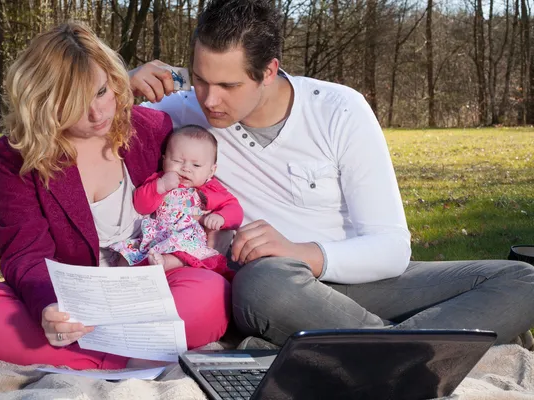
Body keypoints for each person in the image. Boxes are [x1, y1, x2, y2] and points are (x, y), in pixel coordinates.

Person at [128, 0, 534, 347]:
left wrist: (302, 251)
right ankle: (418, 348)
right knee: (262, 281)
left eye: (228, 85)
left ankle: (382, 349)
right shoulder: (183, 111)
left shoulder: (339, 109)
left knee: (523, 280)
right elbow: (85, 122)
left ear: (268, 71)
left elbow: (391, 246)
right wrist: (122, 86)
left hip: (357, 280)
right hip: (276, 289)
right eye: (200, 79)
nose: (210, 99)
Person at [0, 22, 231, 370]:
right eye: (74, 103)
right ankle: (130, 356)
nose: (97, 114)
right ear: (44, 103)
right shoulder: (19, 155)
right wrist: (49, 309)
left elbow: (200, 185)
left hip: (148, 285)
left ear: (115, 80)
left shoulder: (153, 130)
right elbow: (24, 253)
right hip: (75, 298)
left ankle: (97, 356)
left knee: (210, 293)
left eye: (100, 92)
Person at [110, 124, 243, 277]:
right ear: (164, 160)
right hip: (158, 234)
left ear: (211, 171)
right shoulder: (160, 180)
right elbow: (141, 206)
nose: (186, 168)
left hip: (189, 235)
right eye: (178, 161)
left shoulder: (212, 189)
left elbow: (235, 209)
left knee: (185, 251)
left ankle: (165, 263)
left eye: (196, 165)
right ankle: (126, 275)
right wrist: (160, 186)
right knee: (127, 256)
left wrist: (221, 217)